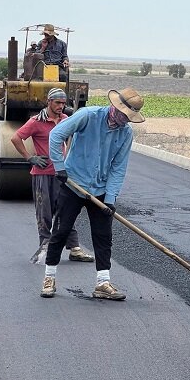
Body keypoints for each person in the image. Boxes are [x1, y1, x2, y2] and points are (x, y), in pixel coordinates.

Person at [40, 87, 145, 300]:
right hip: (73, 184)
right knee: (61, 231)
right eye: (124, 115)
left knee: (103, 235)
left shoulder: (125, 133)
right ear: (115, 108)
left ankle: (102, 283)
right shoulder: (88, 116)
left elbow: (118, 167)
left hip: (101, 189)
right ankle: (49, 277)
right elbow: (56, 135)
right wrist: (59, 167)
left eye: (129, 118)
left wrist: (111, 198)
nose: (125, 120)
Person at [11, 87, 94, 264]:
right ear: (49, 102)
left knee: (67, 210)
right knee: (45, 213)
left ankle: (75, 248)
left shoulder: (65, 120)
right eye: (57, 103)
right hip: (42, 174)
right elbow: (16, 138)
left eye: (64, 103)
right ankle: (45, 247)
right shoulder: (36, 122)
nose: (61, 107)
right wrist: (29, 158)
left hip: (63, 174)